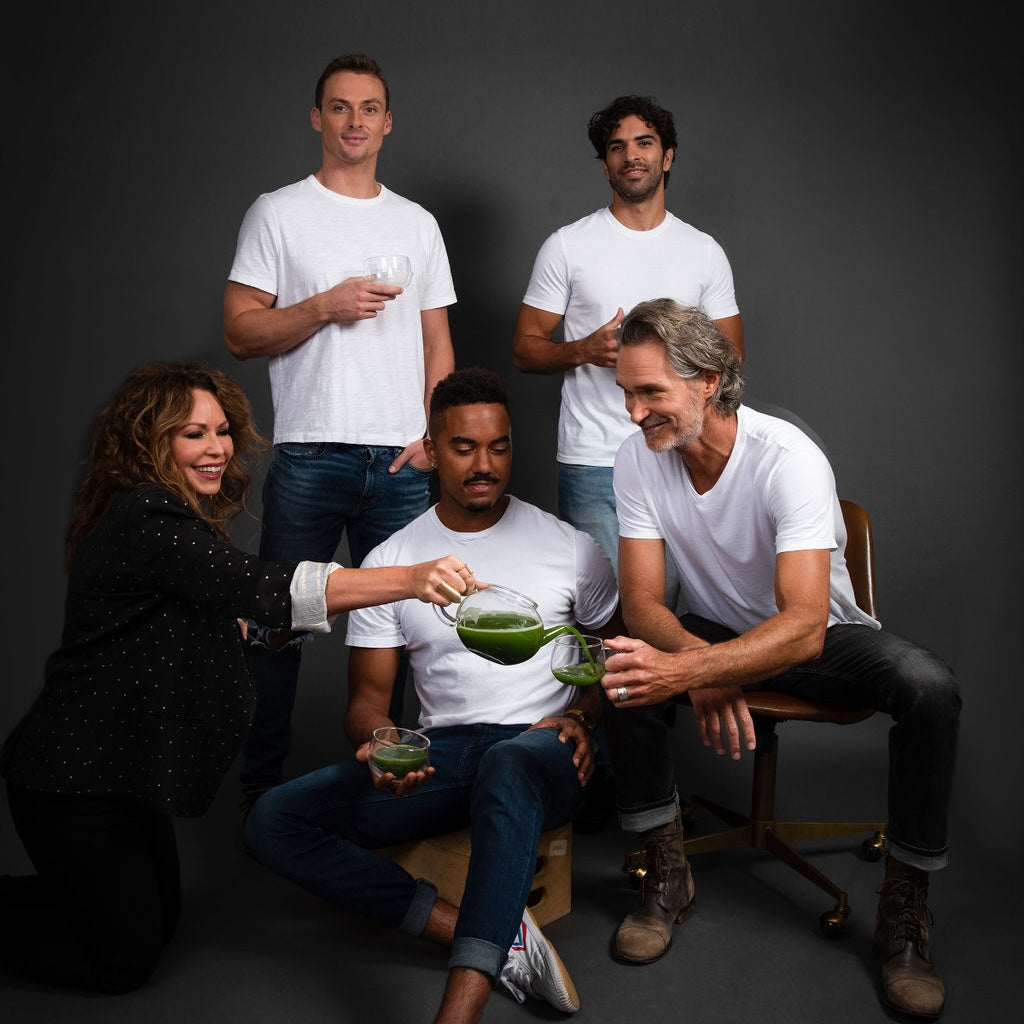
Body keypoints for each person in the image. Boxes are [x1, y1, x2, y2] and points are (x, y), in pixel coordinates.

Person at [0, 362, 475, 993]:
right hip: (71, 779)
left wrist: (273, 628)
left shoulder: (168, 520)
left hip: (122, 779)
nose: (217, 448)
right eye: (192, 434)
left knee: (158, 921)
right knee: (123, 963)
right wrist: (409, 578)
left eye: (222, 431)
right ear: (150, 440)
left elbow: (229, 619)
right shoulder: (148, 519)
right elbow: (259, 587)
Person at [598, 300, 961, 1020]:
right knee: (623, 659)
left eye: (650, 393)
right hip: (713, 629)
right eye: (627, 394)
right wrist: (699, 665)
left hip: (817, 637)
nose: (635, 413)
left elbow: (802, 626)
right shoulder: (638, 460)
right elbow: (642, 602)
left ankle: (905, 909)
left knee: (930, 687)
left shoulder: (787, 458)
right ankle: (664, 871)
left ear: (707, 381)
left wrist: (695, 672)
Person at [244, 367, 622, 1024]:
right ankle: (491, 934)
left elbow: (612, 656)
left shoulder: (571, 549)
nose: (485, 465)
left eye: (499, 447)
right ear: (432, 446)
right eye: (464, 447)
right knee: (271, 820)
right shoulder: (396, 563)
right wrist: (381, 739)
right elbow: (365, 700)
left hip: (542, 748)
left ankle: (456, 1015)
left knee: (510, 762)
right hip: (445, 755)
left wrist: (586, 717)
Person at [223, 53, 457, 808]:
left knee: (419, 624)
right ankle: (258, 790)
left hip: (401, 461)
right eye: (340, 107)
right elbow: (239, 331)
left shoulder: (416, 223)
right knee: (276, 628)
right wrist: (323, 306)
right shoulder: (277, 212)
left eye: (369, 108)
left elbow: (437, 343)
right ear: (316, 118)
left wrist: (434, 433)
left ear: (387, 122)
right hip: (311, 454)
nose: (354, 121)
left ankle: (418, 781)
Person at [512, 93, 743, 575]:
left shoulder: (702, 252)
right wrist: (583, 350)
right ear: (604, 165)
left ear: (668, 155)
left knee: (683, 606)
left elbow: (731, 357)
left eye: (644, 142)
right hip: (594, 459)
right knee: (610, 609)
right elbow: (525, 349)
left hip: (683, 451)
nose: (631, 155)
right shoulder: (567, 246)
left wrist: (679, 372)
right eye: (617, 147)